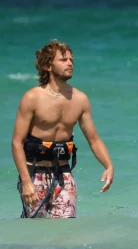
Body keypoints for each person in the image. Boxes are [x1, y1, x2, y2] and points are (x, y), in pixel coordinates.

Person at [11, 40, 114, 218]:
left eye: (71, 60)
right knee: (37, 231)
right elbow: (16, 142)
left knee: (65, 229)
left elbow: (94, 139)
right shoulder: (32, 98)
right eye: (63, 60)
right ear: (47, 65)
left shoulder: (80, 99)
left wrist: (108, 165)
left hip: (64, 175)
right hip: (34, 175)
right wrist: (26, 182)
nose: (70, 63)